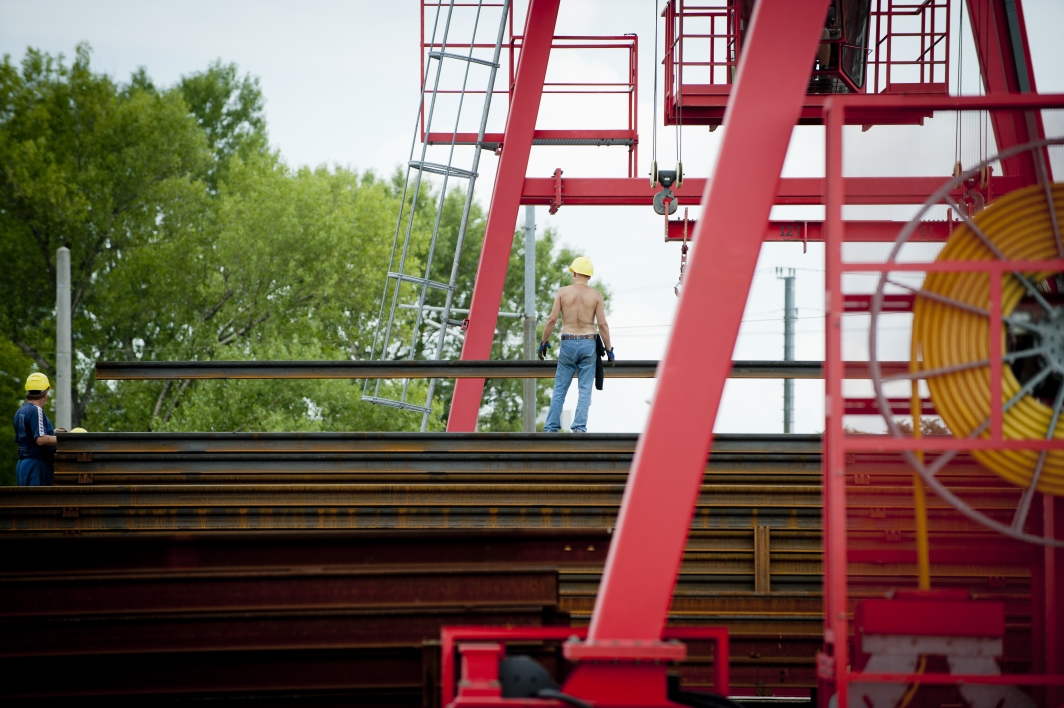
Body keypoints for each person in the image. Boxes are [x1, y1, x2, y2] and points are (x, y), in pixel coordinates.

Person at [538, 256, 614, 433]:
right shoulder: (596, 296)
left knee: (559, 389)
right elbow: (602, 325)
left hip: (568, 343)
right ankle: (579, 428)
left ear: (574, 273)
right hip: (588, 343)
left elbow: (551, 320)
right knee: (585, 390)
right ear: (589, 276)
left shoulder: (563, 293)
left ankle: (551, 428)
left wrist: (543, 343)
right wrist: (609, 350)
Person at [14, 372, 64, 486]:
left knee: (26, 502)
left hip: (23, 466)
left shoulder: (20, 412)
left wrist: (52, 433)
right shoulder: (36, 410)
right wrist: (65, 439)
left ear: (28, 391)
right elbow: (40, 439)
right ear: (45, 394)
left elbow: (28, 438)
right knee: (40, 502)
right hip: (36, 466)